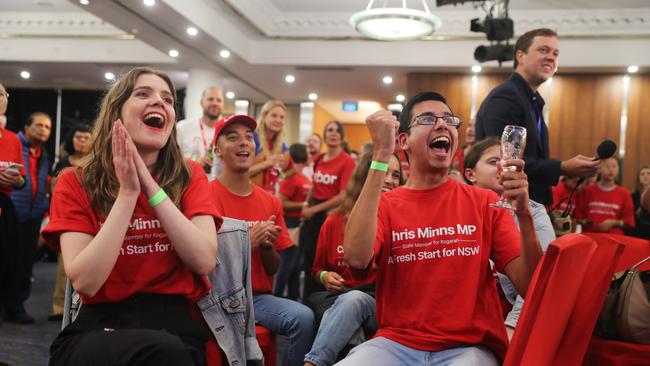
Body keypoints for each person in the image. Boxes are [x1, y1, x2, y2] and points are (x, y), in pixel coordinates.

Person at [339, 92, 543, 365]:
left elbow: (531, 286)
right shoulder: (386, 204)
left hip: (468, 347)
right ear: (404, 140)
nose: (442, 125)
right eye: (427, 119)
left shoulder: (485, 203)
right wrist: (381, 154)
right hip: (396, 344)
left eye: (448, 119)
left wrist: (524, 214)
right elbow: (356, 258)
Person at [42, 67, 221, 365]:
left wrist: (149, 187)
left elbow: (203, 260)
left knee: (166, 351)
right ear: (117, 113)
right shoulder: (74, 182)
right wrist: (127, 194)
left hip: (174, 326)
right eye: (143, 94)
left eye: (168, 99)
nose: (160, 103)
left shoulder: (189, 176)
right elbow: (86, 282)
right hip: (99, 325)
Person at [210, 114, 314, 366]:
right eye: (232, 137)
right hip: (216, 297)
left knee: (303, 317)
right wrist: (246, 242)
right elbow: (200, 259)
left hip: (256, 299)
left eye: (248, 138)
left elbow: (273, 268)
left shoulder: (270, 201)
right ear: (217, 150)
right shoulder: (204, 194)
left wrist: (266, 247)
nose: (243, 143)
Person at [475, 28, 600, 238]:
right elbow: (503, 161)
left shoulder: (532, 100)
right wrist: (563, 167)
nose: (551, 57)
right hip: (509, 209)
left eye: (555, 53)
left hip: (528, 208)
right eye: (544, 50)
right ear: (520, 56)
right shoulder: (506, 98)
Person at [304, 150, 402, 366]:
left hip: (382, 305)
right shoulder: (335, 221)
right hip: (336, 298)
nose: (388, 180)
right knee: (350, 315)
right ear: (363, 177)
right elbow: (316, 270)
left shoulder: (404, 222)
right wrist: (325, 276)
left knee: (353, 300)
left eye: (395, 175)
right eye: (382, 171)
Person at [463, 137, 554, 340]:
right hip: (465, 316)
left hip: (508, 314)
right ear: (471, 174)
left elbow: (540, 277)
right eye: (493, 161)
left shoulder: (533, 211)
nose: (503, 167)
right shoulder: (458, 208)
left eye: (507, 161)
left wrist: (512, 325)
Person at [300, 121, 356, 298]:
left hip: (329, 213)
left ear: (342, 136)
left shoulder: (347, 161)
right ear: (324, 135)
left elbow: (343, 195)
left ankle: (322, 300)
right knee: (307, 260)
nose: (333, 133)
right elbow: (314, 186)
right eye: (329, 130)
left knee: (322, 261)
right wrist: (306, 206)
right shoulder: (319, 159)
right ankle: (306, 301)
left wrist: (315, 209)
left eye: (337, 131)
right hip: (313, 212)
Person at [6, 112, 52, 324]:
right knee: (7, 261)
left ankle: (17, 306)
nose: (43, 130)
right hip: (10, 211)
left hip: (33, 215)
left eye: (47, 127)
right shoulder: (12, 143)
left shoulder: (43, 152)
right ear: (27, 126)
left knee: (25, 263)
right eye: (39, 125)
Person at [46, 124, 93, 321]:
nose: (81, 141)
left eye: (85, 137)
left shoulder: (96, 161)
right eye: (78, 137)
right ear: (71, 139)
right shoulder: (63, 162)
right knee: (64, 266)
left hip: (91, 215)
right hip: (67, 217)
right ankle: (59, 307)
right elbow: (54, 190)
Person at [0, 81, 27, 326]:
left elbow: (22, 182)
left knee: (10, 260)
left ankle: (12, 306)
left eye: (2, 94)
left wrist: (17, 179)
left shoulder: (12, 139)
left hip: (5, 204)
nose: (0, 99)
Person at [274, 143, 312, 300]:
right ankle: (276, 296)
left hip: (300, 223)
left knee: (295, 265)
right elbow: (281, 202)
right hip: (289, 223)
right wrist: (304, 205)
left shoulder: (302, 177)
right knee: (287, 263)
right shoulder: (290, 178)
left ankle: (293, 298)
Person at [575, 157, 635, 235]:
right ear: (599, 169)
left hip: (614, 239)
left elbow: (629, 222)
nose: (611, 170)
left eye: (614, 166)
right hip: (590, 238)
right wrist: (587, 222)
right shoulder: (587, 191)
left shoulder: (625, 194)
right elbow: (578, 217)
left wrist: (613, 223)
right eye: (607, 166)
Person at [176, 86, 224, 175]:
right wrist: (194, 163)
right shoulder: (182, 127)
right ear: (201, 102)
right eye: (210, 99)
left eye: (219, 100)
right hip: (189, 185)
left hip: (215, 186)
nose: (215, 103)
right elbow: (171, 159)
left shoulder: (226, 133)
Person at [249, 100, 294, 194]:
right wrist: (266, 164)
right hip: (250, 194)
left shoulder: (281, 145)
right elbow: (239, 173)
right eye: (274, 115)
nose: (278, 120)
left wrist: (281, 175)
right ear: (264, 116)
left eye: (282, 117)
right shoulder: (252, 138)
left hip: (270, 197)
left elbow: (292, 170)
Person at [627, 165, 650, 239]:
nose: (645, 176)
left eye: (648, 173)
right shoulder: (633, 196)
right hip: (637, 231)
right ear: (638, 178)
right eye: (642, 174)